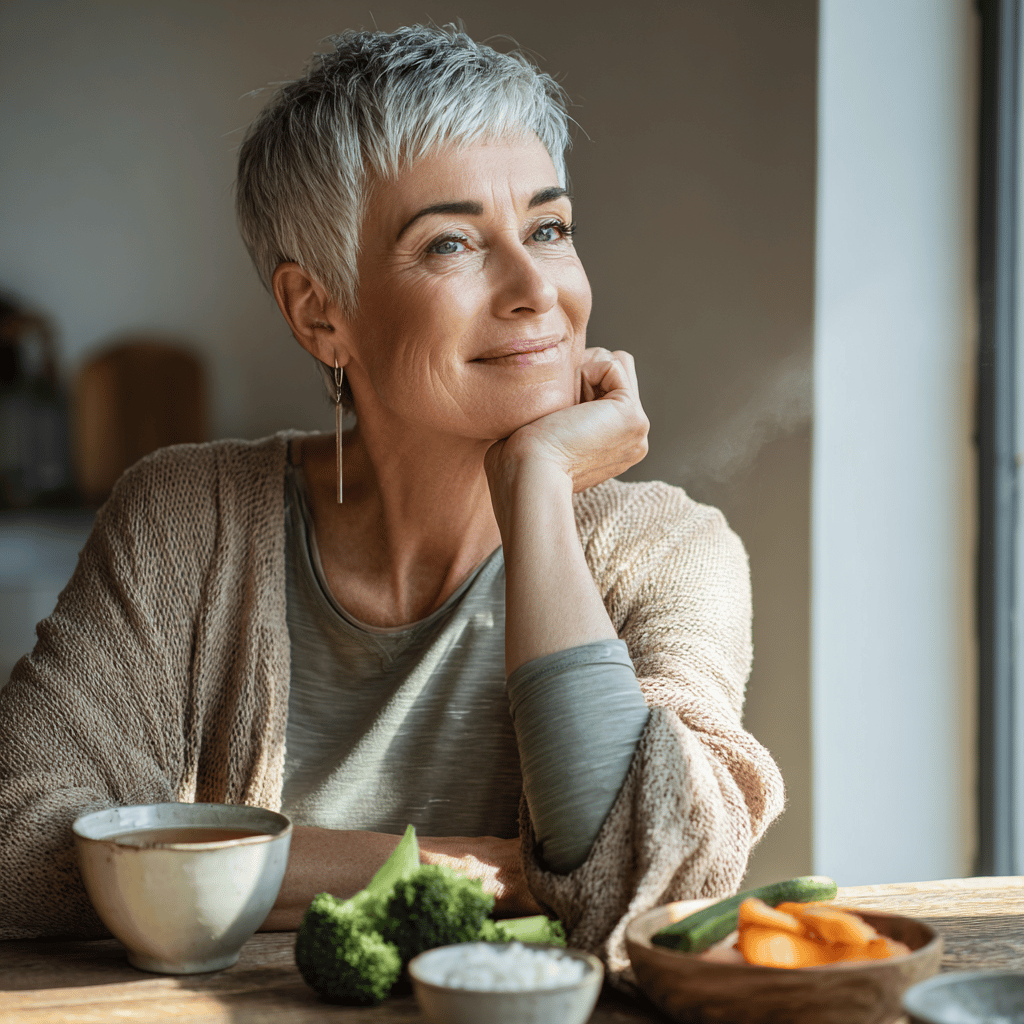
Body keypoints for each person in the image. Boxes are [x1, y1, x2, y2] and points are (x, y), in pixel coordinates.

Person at [0, 25, 784, 977]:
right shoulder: (186, 520)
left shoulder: (672, 550)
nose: (537, 287)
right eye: (451, 242)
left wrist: (535, 488)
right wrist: (477, 871)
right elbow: (16, 834)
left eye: (549, 228)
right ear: (319, 312)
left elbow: (651, 880)